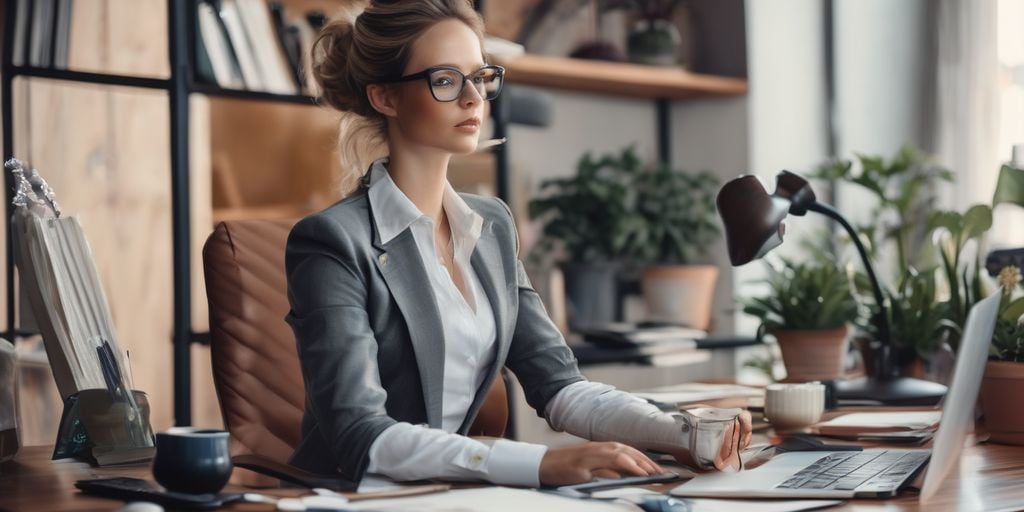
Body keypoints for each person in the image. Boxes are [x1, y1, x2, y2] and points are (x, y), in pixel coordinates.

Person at [284, 0, 752, 488]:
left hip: (448, 492)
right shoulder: (333, 242)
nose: (473, 99)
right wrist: (538, 463)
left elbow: (560, 387)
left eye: (479, 77)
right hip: (355, 496)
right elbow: (361, 435)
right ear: (385, 97)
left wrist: (682, 431)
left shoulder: (490, 226)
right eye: (445, 80)